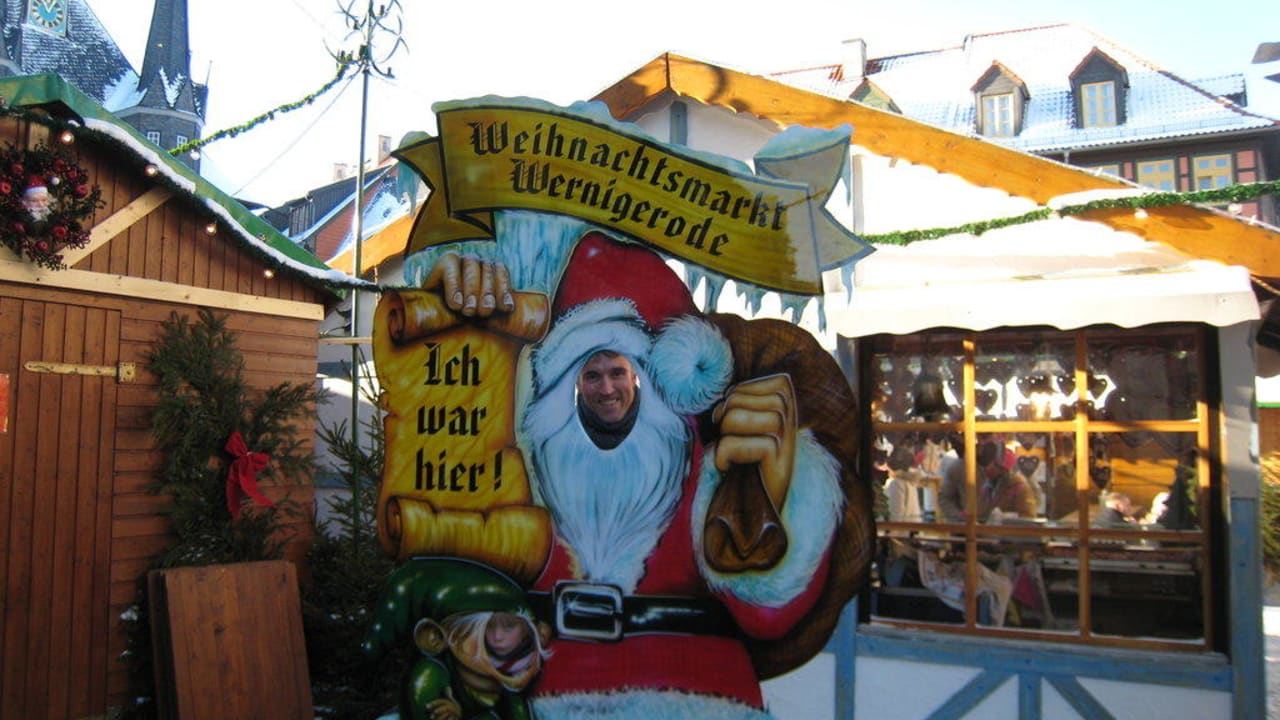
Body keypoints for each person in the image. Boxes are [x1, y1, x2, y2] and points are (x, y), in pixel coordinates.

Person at [425, 232, 871, 720]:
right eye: (589, 375)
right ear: (563, 382)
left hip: (696, 698)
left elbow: (769, 617)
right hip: (545, 695)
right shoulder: (525, 468)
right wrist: (447, 307)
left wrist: (777, 492)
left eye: (617, 371)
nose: (606, 388)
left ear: (645, 374)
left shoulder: (708, 467)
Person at [976, 440, 1037, 520]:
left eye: (990, 464)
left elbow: (1029, 516)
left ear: (1003, 468)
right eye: (984, 464)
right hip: (990, 531)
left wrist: (1006, 517)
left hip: (1010, 531)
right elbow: (980, 512)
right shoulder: (987, 487)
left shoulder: (1019, 487)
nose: (986, 469)